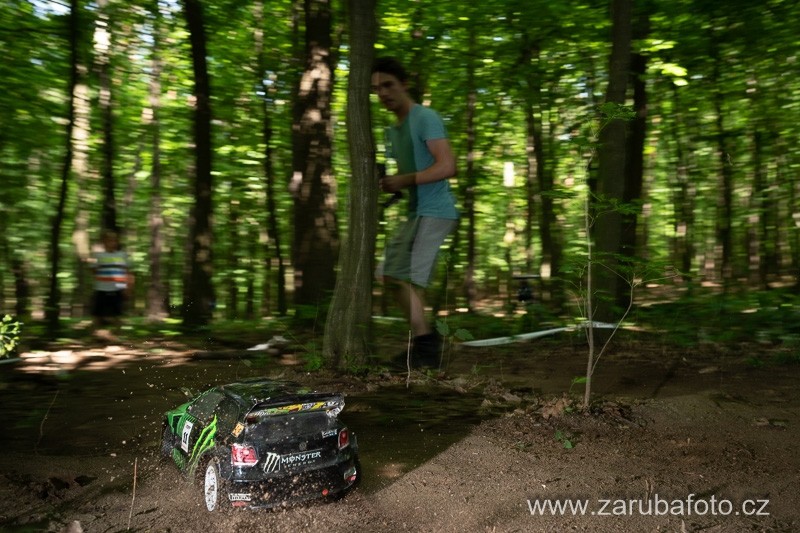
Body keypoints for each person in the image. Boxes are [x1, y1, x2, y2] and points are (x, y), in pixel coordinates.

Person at [371, 56, 459, 369]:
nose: (383, 93)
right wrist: (392, 184)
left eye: (388, 85)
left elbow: (447, 166)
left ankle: (426, 349)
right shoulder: (393, 131)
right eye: (377, 89)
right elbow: (411, 174)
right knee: (388, 274)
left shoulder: (425, 117)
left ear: (404, 84)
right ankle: (424, 344)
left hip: (435, 211)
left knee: (401, 276)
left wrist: (404, 180)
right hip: (415, 212)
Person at [90, 229, 133, 332]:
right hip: (101, 288)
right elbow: (93, 270)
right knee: (97, 314)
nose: (111, 243)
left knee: (117, 314)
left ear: (117, 242)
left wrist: (128, 288)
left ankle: (118, 335)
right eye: (108, 240)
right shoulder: (97, 256)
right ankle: (96, 334)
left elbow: (128, 272)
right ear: (104, 242)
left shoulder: (122, 255)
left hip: (118, 288)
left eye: (114, 240)